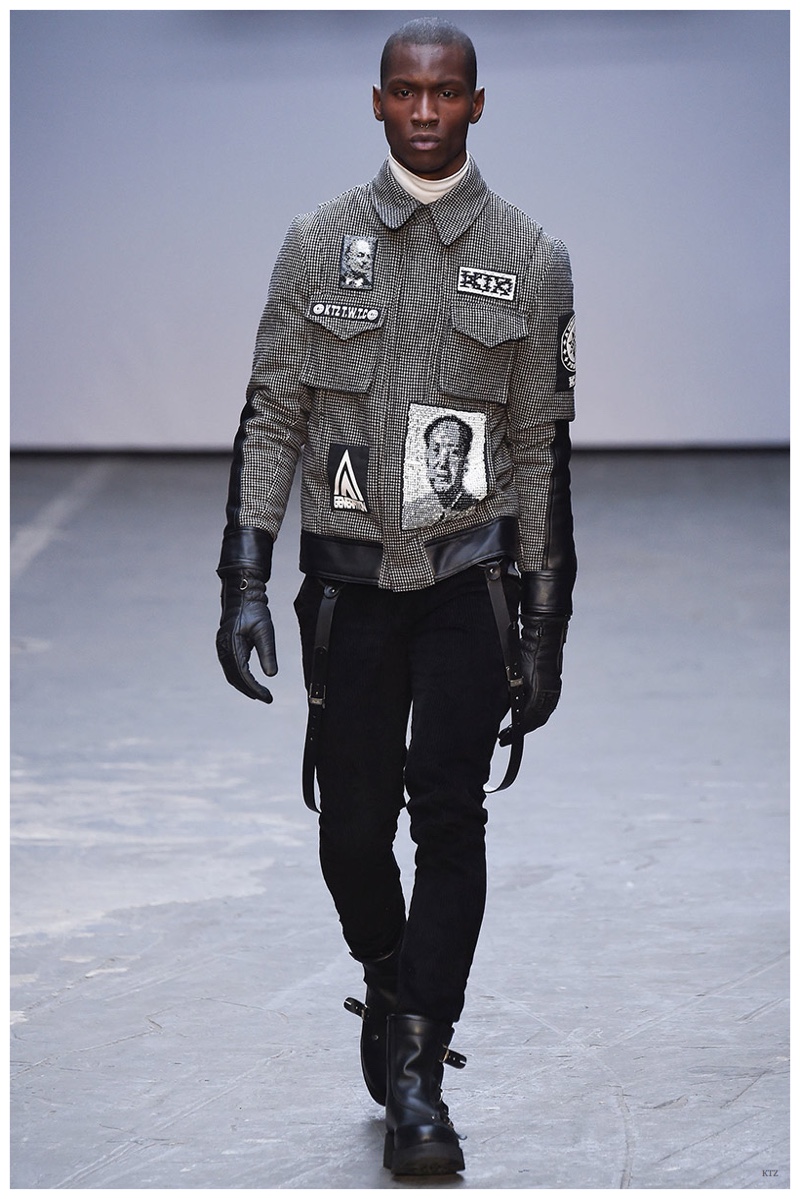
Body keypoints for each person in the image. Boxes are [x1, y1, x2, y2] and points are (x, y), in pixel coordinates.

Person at [216, 16, 577, 1178]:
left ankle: (418, 1069)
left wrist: (546, 618)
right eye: (406, 92)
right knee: (350, 828)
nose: (425, 110)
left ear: (477, 103)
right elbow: (272, 413)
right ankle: (388, 973)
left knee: (449, 815)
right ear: (376, 102)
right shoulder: (315, 243)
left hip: (468, 577)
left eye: (446, 91)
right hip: (349, 583)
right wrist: (241, 574)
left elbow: (540, 447)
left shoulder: (530, 254)